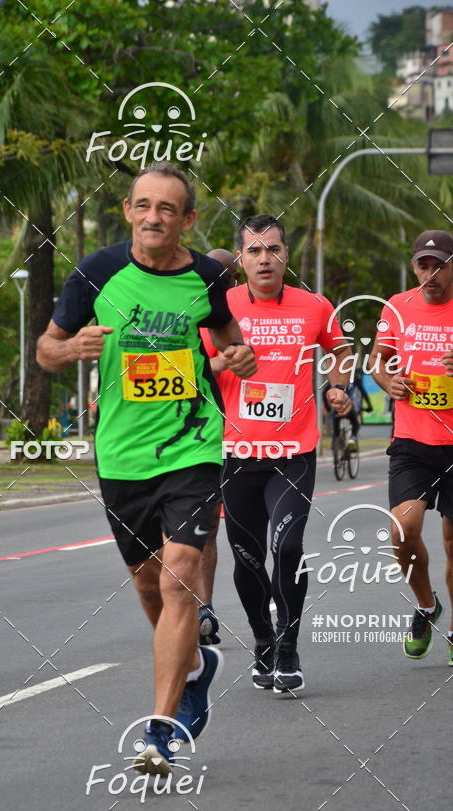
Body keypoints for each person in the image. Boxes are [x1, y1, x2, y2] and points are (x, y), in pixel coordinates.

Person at [36, 163, 256, 773]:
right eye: (143, 206)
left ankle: (160, 728)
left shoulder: (208, 277)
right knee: (145, 581)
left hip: (192, 445)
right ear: (129, 211)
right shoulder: (98, 272)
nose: (153, 217)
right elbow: (45, 349)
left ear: (187, 220)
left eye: (168, 209)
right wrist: (69, 348)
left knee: (180, 574)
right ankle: (193, 664)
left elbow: (238, 345)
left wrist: (241, 357)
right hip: (123, 455)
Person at [201, 215, 354, 694]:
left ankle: (288, 647)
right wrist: (223, 360)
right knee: (247, 559)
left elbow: (341, 351)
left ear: (287, 255)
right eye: (254, 251)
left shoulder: (314, 306)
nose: (264, 258)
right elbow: (197, 369)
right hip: (236, 455)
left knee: (287, 548)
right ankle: (264, 643)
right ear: (241, 259)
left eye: (273, 249)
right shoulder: (218, 307)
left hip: (293, 454)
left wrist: (336, 387)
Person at [369, 229, 453, 665]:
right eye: (424, 265)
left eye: (440, 264)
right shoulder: (397, 307)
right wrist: (388, 381)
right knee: (402, 532)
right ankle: (426, 605)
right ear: (413, 266)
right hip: (413, 441)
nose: (431, 274)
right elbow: (378, 360)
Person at [198, 249, 239, 647]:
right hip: (195, 432)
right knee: (200, 527)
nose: (219, 286)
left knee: (216, 528)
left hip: (241, 435)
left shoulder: (238, 313)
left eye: (225, 280)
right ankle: (197, 606)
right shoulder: (190, 312)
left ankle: (204, 608)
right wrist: (222, 363)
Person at [322, 367, 372, 451]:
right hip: (349, 407)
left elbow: (324, 392)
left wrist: (328, 408)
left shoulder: (335, 379)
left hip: (336, 409)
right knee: (355, 424)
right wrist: (369, 405)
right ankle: (352, 439)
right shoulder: (355, 378)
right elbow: (363, 392)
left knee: (336, 431)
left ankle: (335, 447)